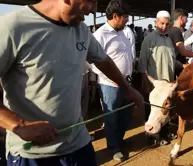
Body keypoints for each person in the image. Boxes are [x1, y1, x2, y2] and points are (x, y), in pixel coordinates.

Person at [0, 0, 144, 165]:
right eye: (90, 1)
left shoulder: (81, 29)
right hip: (33, 153)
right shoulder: (13, 26)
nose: (94, 10)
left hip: (78, 145)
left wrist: (126, 88)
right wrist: (19, 125)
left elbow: (103, 60)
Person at [91, 0, 137, 161]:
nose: (128, 20)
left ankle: (119, 140)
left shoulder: (122, 33)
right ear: (116, 16)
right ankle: (114, 147)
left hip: (127, 83)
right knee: (111, 117)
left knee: (126, 115)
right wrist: (112, 78)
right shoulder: (100, 35)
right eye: (126, 17)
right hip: (110, 85)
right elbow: (93, 64)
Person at [138, 10, 183, 145]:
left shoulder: (169, 40)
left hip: (167, 83)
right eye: (161, 23)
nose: (164, 27)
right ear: (156, 23)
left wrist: (183, 65)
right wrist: (144, 80)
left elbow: (172, 60)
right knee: (152, 110)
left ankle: (163, 133)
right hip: (154, 83)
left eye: (166, 24)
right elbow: (142, 61)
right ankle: (151, 135)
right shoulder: (149, 39)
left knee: (165, 110)